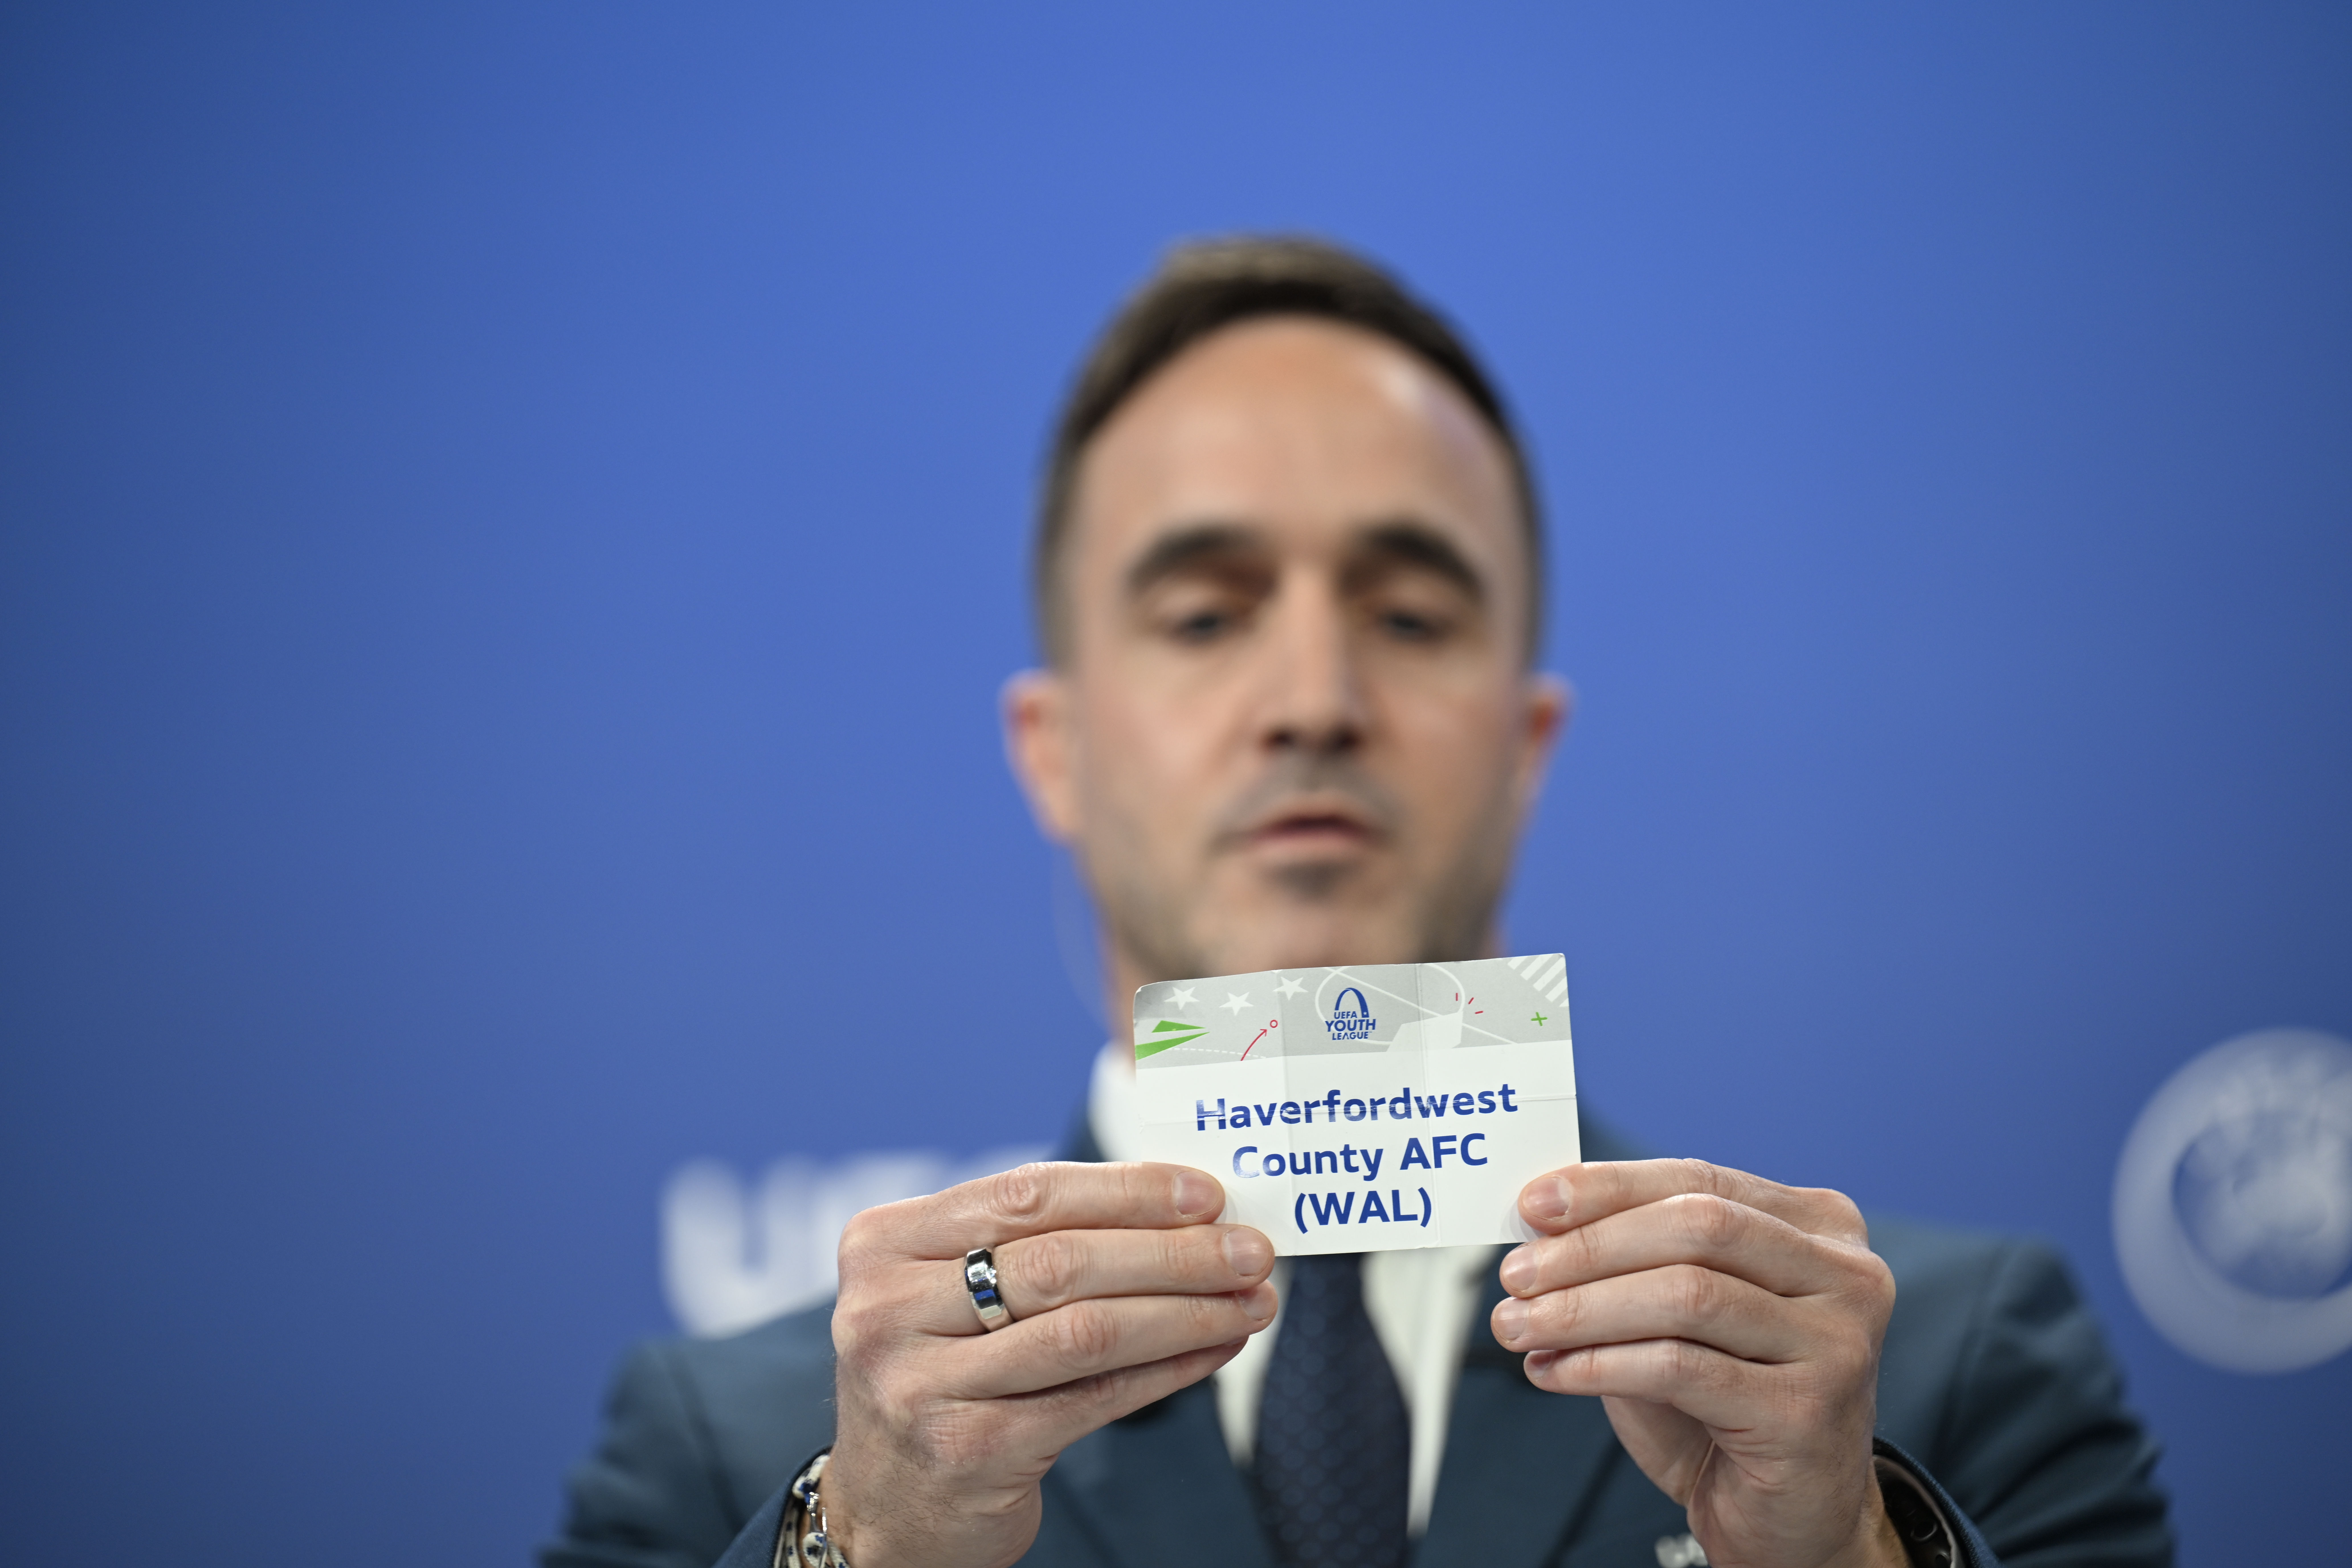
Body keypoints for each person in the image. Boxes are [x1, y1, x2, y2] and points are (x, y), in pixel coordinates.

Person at [543, 238, 2171, 1568]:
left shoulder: (1933, 1370)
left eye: (1407, 612)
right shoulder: (751, 1447)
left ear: (1527, 747)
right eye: (1203, 615)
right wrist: (862, 1553)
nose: (1314, 696)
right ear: (1055, 751)